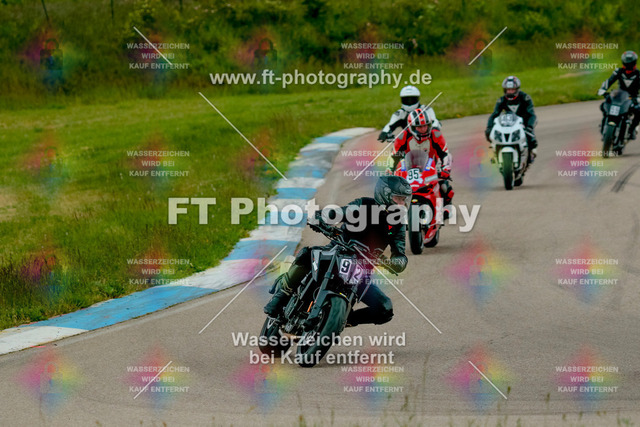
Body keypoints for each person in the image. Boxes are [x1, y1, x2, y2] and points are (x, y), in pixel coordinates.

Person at [264, 175, 412, 326]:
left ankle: (341, 319)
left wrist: (397, 262)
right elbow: (339, 213)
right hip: (338, 252)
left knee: (385, 308)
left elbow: (400, 253)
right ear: (385, 194)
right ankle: (282, 295)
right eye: (398, 199)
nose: (402, 203)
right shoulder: (364, 205)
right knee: (308, 254)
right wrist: (322, 217)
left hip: (360, 272)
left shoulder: (398, 223)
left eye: (404, 200)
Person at [389, 108, 454, 214]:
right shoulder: (402, 137)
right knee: (392, 189)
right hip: (408, 169)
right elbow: (393, 157)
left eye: (425, 126)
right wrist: (390, 170)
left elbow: (445, 154)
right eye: (419, 127)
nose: (423, 129)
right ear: (411, 127)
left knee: (443, 186)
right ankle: (393, 210)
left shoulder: (436, 135)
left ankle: (446, 207)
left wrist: (446, 168)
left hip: (430, 169)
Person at [485, 76, 538, 164]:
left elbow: (532, 115)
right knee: (491, 134)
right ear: (504, 90)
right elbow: (494, 115)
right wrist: (489, 127)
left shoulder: (525, 98)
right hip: (508, 124)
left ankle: (531, 152)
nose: (510, 92)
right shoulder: (501, 100)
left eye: (512, 90)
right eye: (508, 90)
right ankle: (494, 152)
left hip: (523, 124)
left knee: (531, 138)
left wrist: (529, 126)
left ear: (517, 89)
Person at [597, 51, 640, 140]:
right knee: (604, 105)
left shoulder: (638, 74)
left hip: (633, 97)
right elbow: (609, 81)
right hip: (619, 96)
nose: (628, 65)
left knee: (638, 110)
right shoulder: (618, 71)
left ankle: (631, 130)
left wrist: (638, 98)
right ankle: (604, 126)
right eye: (627, 63)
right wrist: (603, 89)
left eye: (630, 63)